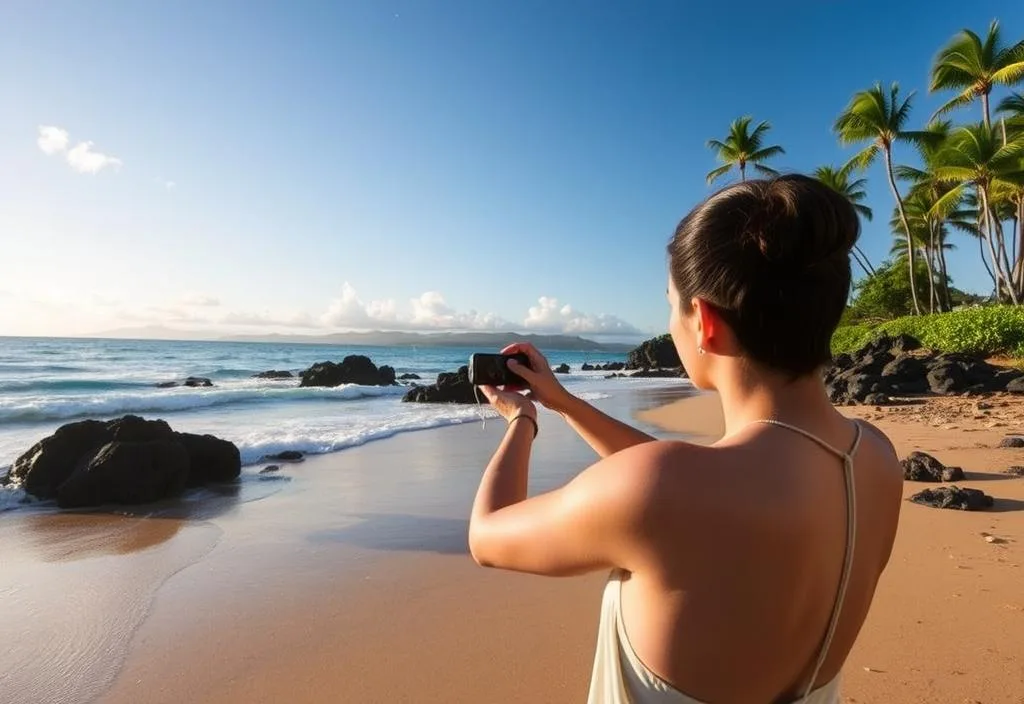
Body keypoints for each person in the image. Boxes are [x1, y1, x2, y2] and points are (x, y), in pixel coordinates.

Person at [467, 174, 904, 704]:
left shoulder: (668, 489)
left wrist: (522, 422)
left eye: (671, 303)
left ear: (705, 322)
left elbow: (488, 536)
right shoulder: (876, 459)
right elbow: (686, 487)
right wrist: (563, 402)